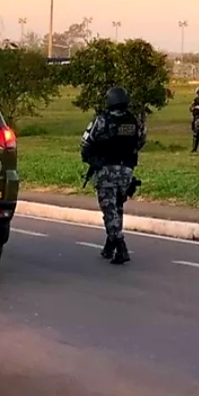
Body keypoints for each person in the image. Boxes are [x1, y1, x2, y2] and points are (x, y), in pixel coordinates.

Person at [80, 85, 146, 265]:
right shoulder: (134, 121)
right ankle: (110, 246)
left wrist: (92, 159)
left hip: (106, 170)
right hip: (127, 170)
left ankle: (121, 246)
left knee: (109, 209)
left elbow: (86, 142)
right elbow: (140, 142)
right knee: (117, 207)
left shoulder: (102, 120)